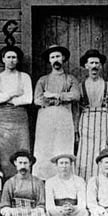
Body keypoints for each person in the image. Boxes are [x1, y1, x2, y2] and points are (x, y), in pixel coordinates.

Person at [33, 45, 80, 180]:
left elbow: (76, 95)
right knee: (44, 150)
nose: (56, 60)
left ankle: (63, 180)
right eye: (52, 57)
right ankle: (42, 181)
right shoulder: (43, 80)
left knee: (62, 149)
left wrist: (55, 95)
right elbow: (38, 99)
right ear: (49, 60)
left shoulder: (70, 79)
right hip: (46, 118)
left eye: (58, 56)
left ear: (63, 58)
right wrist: (56, 100)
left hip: (64, 117)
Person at [0, 46, 33, 181]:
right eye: (8, 57)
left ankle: (22, 184)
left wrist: (7, 99)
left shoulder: (24, 77)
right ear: (3, 59)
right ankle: (2, 187)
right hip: (3, 119)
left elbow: (28, 98)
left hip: (20, 119)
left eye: (14, 57)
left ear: (18, 60)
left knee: (22, 150)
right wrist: (12, 94)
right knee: (1, 153)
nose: (11, 60)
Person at [76, 49, 108, 181]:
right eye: (91, 63)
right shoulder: (80, 86)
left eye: (96, 63)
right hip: (85, 122)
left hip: (104, 123)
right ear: (86, 66)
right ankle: (85, 188)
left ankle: (104, 187)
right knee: (85, 157)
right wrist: (76, 131)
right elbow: (76, 110)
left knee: (104, 155)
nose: (94, 66)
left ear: (100, 66)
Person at [0, 149, 46, 216]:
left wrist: (36, 210)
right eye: (20, 163)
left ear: (30, 163)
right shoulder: (10, 183)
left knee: (41, 214)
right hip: (16, 213)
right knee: (9, 214)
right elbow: (4, 204)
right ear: (15, 163)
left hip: (32, 212)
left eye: (25, 163)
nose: (23, 166)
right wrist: (12, 210)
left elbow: (41, 203)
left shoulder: (38, 182)